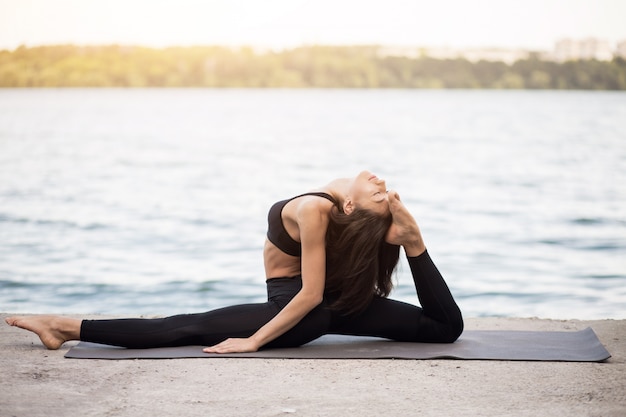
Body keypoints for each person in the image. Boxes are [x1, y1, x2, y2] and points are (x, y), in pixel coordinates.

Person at [6, 170, 463, 353]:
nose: (382, 182)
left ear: (349, 210)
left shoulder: (324, 209)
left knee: (444, 329)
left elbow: (312, 294)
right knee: (187, 324)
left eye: (382, 194)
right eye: (383, 192)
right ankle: (65, 326)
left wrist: (253, 341)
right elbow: (310, 292)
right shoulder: (326, 200)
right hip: (309, 302)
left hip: (314, 305)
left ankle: (413, 241)